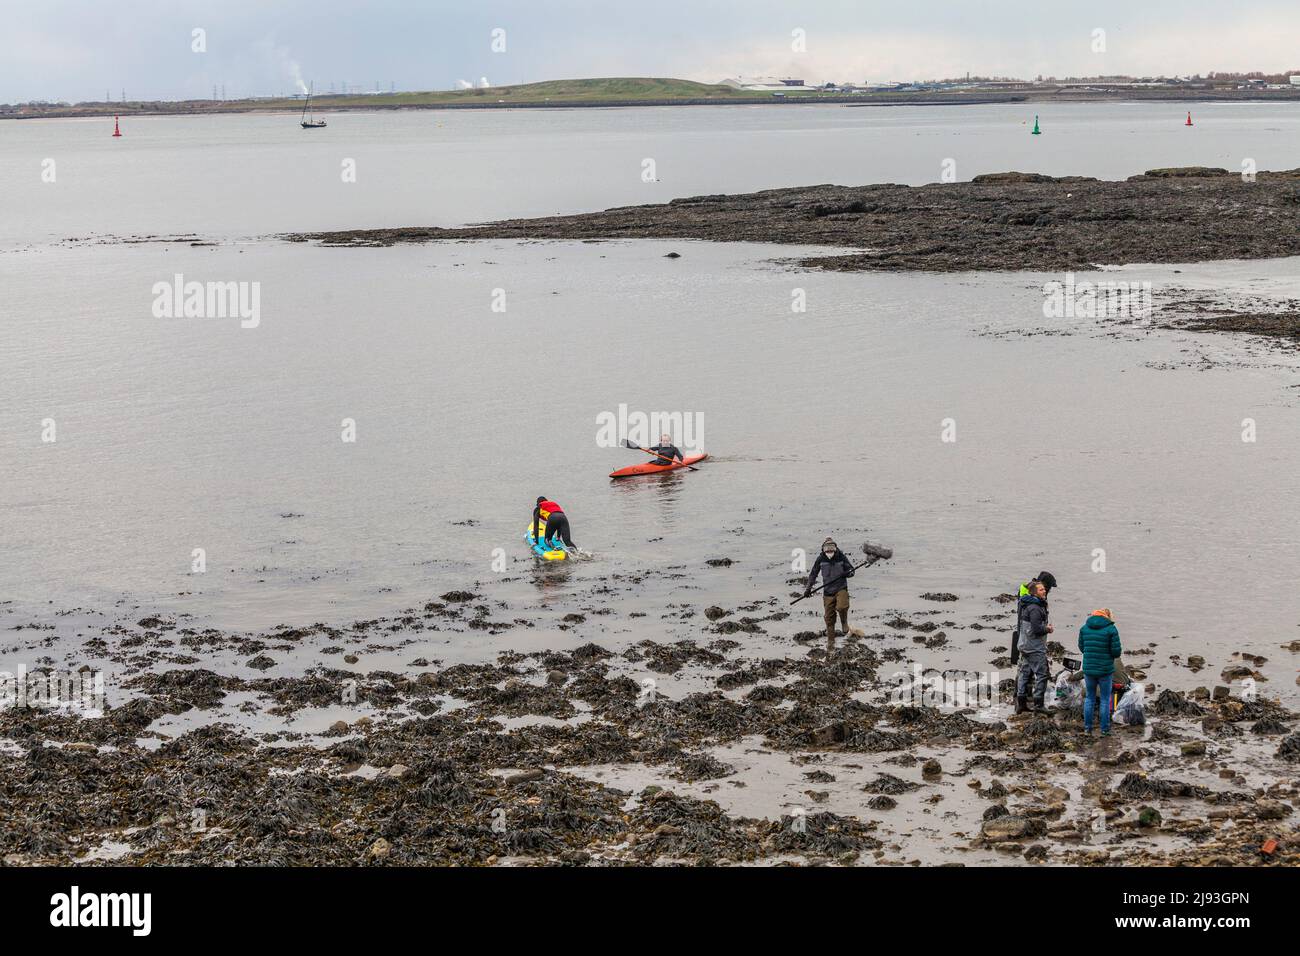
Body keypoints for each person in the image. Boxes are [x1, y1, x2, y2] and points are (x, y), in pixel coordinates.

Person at [1078, 608, 1122, 736]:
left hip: (1089, 668)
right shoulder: (1111, 629)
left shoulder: (1084, 628)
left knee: (1090, 698)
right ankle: (1104, 729)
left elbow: (1081, 647)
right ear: (1107, 617)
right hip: (1105, 669)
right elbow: (1116, 652)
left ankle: (1087, 728)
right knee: (1104, 699)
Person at [804, 537, 855, 644]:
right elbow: (813, 574)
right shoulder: (820, 559)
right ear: (823, 549)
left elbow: (852, 570)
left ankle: (844, 622)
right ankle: (831, 643)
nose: (829, 550)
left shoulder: (841, 557)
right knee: (829, 619)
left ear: (835, 548)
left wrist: (848, 573)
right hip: (828, 592)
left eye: (832, 548)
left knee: (842, 607)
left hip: (841, 588)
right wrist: (808, 588)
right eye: (827, 548)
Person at [1015, 579, 1054, 713]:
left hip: (1024, 645)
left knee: (1024, 674)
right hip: (1034, 647)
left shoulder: (1029, 604)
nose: (1044, 591)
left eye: (1044, 589)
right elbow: (1037, 629)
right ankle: (1039, 705)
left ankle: (1021, 704)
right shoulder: (1035, 608)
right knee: (1042, 675)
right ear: (1034, 593)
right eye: (1041, 589)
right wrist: (1047, 629)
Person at [1011, 571, 1057, 665]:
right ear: (1044, 584)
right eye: (1048, 587)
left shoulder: (1032, 592)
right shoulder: (1032, 598)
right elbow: (1032, 622)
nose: (1048, 590)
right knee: (1026, 664)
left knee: (1024, 666)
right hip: (1029, 638)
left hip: (1028, 635)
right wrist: (1045, 629)